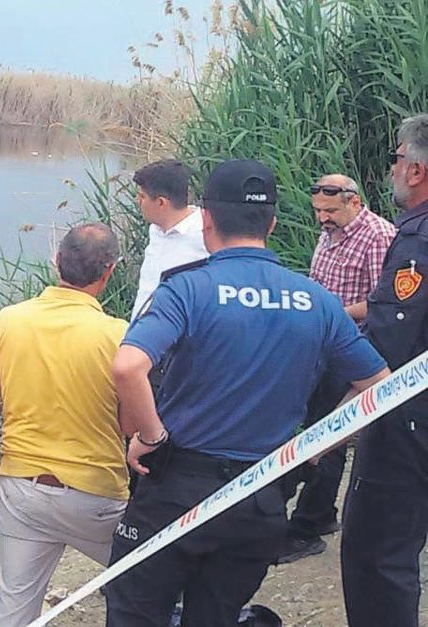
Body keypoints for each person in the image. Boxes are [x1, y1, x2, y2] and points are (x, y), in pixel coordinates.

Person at [105, 159, 389, 627]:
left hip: (177, 490)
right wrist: (319, 443)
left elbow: (128, 365)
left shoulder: (187, 289)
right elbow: (380, 387)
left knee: (135, 612)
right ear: (272, 224)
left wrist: (151, 436)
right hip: (258, 499)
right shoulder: (316, 300)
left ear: (208, 219)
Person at [0, 223, 129, 625]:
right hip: (93, 494)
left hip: (20, 485)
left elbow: (5, 397)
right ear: (109, 271)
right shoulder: (117, 334)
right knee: (147, 577)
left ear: (56, 262)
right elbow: (131, 423)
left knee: (14, 603)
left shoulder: (9, 319)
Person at [277, 173, 395, 565]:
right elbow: (319, 282)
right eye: (318, 212)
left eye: (330, 211)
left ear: (354, 202)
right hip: (321, 344)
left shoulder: (377, 236)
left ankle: (308, 525)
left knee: (328, 433)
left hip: (354, 347)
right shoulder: (329, 235)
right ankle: (320, 514)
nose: (322, 219)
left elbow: (383, 301)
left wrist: (333, 316)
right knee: (314, 425)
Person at [342, 113, 428, 627]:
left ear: (416, 170)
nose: (392, 168)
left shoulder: (417, 241)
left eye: (397, 158)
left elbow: (393, 338)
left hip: (406, 419)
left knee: (377, 553)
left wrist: (346, 410)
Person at [131, 159, 208, 320]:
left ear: (161, 203)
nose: (138, 201)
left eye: (142, 197)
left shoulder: (205, 234)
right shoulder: (155, 229)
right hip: (141, 334)